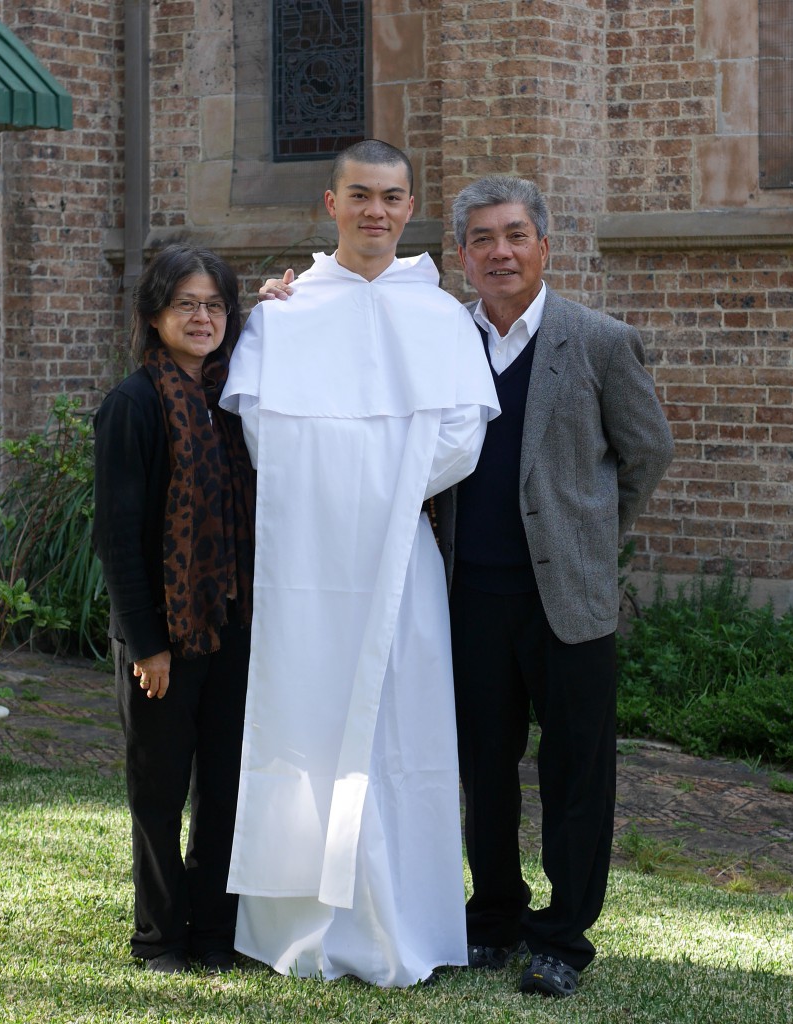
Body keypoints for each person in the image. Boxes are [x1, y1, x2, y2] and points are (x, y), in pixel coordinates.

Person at [259, 174, 675, 998]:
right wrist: (289, 294)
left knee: (574, 774)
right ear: (459, 256)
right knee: (483, 770)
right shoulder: (440, 333)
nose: (499, 252)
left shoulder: (595, 340)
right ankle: (491, 919)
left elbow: (646, 453)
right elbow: (355, 339)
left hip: (568, 602)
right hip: (467, 598)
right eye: (481, 239)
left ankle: (562, 938)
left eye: (515, 236)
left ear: (543, 246)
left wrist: (589, 534)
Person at [219, 139, 500, 987]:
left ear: (409, 207)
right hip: (306, 559)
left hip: (398, 557)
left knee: (403, 732)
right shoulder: (284, 314)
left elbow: (461, 437)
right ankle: (303, 919)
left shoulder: (440, 314)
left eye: (392, 196)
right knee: (302, 714)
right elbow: (267, 431)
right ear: (329, 205)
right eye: (360, 195)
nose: (375, 211)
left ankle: (403, 920)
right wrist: (355, 486)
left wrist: (380, 492)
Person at [92, 243, 256, 975]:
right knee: (158, 794)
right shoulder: (133, 404)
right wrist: (146, 644)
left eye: (215, 304)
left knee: (225, 788)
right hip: (161, 638)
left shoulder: (236, 395)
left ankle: (214, 931)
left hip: (230, 628)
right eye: (185, 304)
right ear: (154, 314)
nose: (201, 317)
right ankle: (159, 937)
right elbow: (118, 535)